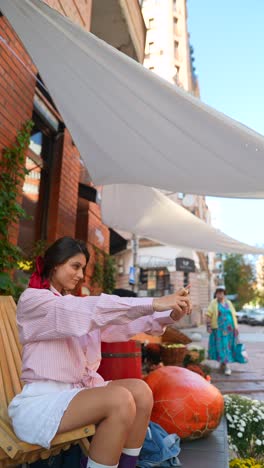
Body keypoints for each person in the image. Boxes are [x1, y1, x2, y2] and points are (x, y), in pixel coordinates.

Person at [8, 236, 192, 468]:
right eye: (75, 266)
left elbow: (119, 324)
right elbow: (88, 310)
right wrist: (154, 302)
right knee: (120, 400)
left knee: (140, 391)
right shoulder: (35, 301)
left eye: (82, 268)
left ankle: (127, 464)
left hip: (75, 394)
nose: (79, 275)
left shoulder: (71, 305)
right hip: (42, 404)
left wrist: (169, 315)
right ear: (55, 264)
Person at [206, 286, 238, 376]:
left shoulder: (229, 303)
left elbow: (233, 315)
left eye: (221, 293)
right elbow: (208, 315)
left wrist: (236, 327)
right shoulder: (214, 303)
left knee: (227, 347)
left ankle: (223, 364)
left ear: (224, 294)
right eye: (218, 293)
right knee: (223, 346)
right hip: (219, 330)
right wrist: (208, 327)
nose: (220, 294)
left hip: (230, 330)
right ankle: (227, 366)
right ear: (215, 294)